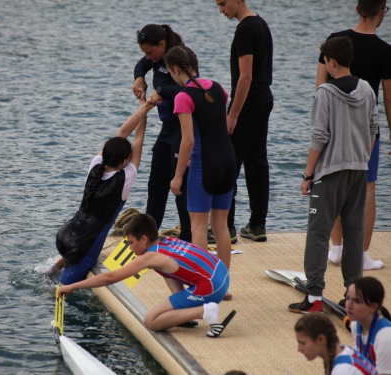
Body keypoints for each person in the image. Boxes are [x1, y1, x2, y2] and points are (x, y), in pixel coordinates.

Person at [288, 36, 378, 314]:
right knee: (353, 233)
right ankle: (353, 296)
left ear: (331, 62)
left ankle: (313, 298)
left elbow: (318, 137)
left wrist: (307, 174)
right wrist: (361, 157)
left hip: (329, 173)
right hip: (358, 170)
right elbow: (374, 128)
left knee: (318, 233)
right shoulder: (366, 89)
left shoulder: (325, 93)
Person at [58, 213, 235, 338]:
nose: (129, 247)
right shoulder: (168, 240)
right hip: (221, 274)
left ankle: (204, 311)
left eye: (131, 243)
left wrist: (72, 286)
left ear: (143, 239)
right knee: (167, 271)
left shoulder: (150, 257)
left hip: (211, 289)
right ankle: (185, 313)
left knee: (151, 321)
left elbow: (110, 278)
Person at [46, 96, 156, 284]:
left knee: (76, 249)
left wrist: (144, 107)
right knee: (61, 290)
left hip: (65, 235)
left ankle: (54, 267)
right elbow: (138, 140)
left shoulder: (96, 165)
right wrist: (145, 109)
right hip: (86, 248)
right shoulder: (124, 179)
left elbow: (122, 132)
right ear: (124, 162)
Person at [319, 0, 391, 271]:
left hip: (334, 127)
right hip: (366, 131)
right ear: (382, 12)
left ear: (356, 8)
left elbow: (320, 86)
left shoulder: (333, 41)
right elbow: (387, 100)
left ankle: (336, 249)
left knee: (335, 184)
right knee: (367, 188)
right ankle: (361, 254)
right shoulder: (385, 51)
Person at [162, 45, 236, 272]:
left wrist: (177, 177)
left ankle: (205, 284)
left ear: (175, 69)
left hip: (204, 167)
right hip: (228, 162)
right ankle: (223, 285)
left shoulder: (183, 97)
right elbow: (222, 128)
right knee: (221, 227)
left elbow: (188, 141)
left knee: (199, 228)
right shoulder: (217, 88)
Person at [215, 0, 274, 243]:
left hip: (248, 103)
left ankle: (226, 226)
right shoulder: (261, 24)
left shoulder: (245, 29)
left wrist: (233, 114)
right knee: (256, 161)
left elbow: (245, 77)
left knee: (229, 161)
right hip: (263, 99)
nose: (221, 9)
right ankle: (257, 224)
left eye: (223, 3)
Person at [132, 24, 192, 243]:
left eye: (150, 52)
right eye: (145, 53)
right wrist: (140, 76)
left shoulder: (179, 58)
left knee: (179, 186)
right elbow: (143, 64)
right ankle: (148, 236)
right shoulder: (156, 57)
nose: (149, 57)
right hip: (167, 128)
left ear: (162, 44)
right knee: (156, 183)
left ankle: (188, 237)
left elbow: (188, 88)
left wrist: (160, 91)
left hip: (183, 127)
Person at [295, 313, 378, 375]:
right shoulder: (346, 350)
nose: (299, 349)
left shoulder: (342, 370)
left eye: (303, 343)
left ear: (321, 339)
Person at [346, 276, 391, 374]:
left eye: (356, 301)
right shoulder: (355, 325)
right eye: (348, 298)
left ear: (373, 307)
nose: (348, 305)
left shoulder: (385, 337)